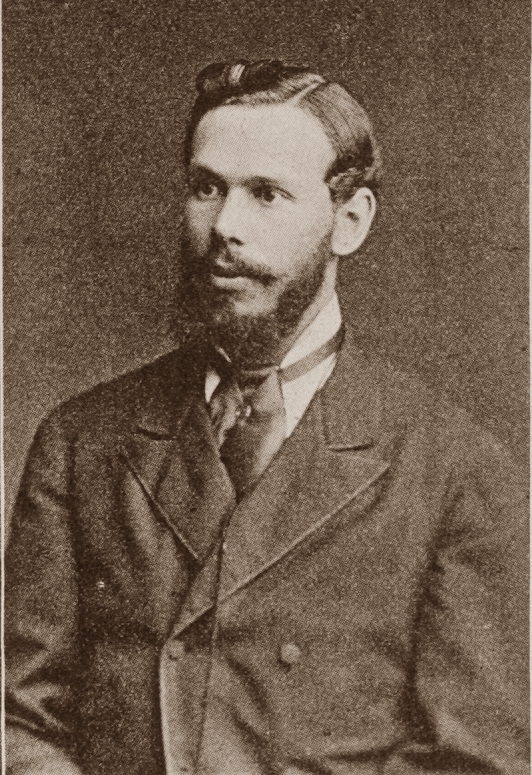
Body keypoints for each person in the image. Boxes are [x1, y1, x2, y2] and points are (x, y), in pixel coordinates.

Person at [5, 59, 528, 775]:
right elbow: (19, 721)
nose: (224, 226)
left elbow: (474, 759)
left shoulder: (455, 469)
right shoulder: (82, 441)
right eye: (205, 188)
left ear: (350, 221)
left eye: (266, 194)